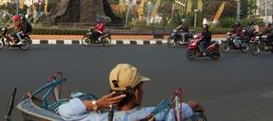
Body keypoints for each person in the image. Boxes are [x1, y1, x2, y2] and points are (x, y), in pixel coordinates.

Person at [58, 63, 203, 121]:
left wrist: (96, 104)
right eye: (141, 87)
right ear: (136, 93)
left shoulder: (95, 119)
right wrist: (194, 104)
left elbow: (63, 110)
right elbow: (188, 107)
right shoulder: (154, 115)